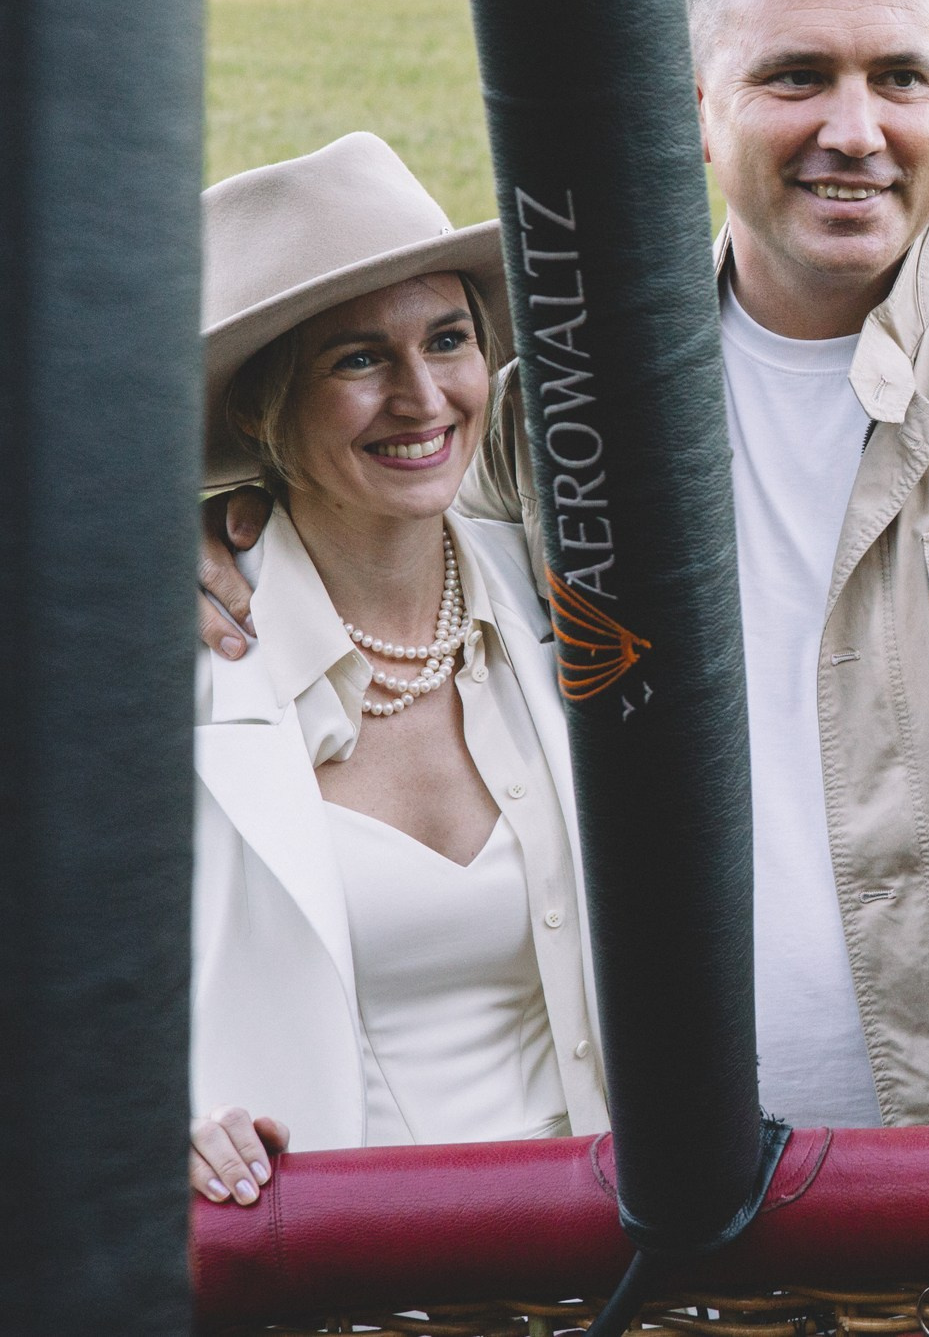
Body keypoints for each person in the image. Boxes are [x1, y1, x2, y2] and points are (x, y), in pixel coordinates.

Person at [199, 0, 929, 1267]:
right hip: (660, 1188)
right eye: (797, 77)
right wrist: (207, 525)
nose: (858, 128)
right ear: (695, 102)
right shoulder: (565, 399)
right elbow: (377, 513)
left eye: (900, 77)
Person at [190, 133, 605, 1209]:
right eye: (358, 359)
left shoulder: (565, 606)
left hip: (611, 1265)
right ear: (256, 409)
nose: (424, 397)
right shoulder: (174, 665)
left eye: (449, 339)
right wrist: (142, 1115)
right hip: (329, 1270)